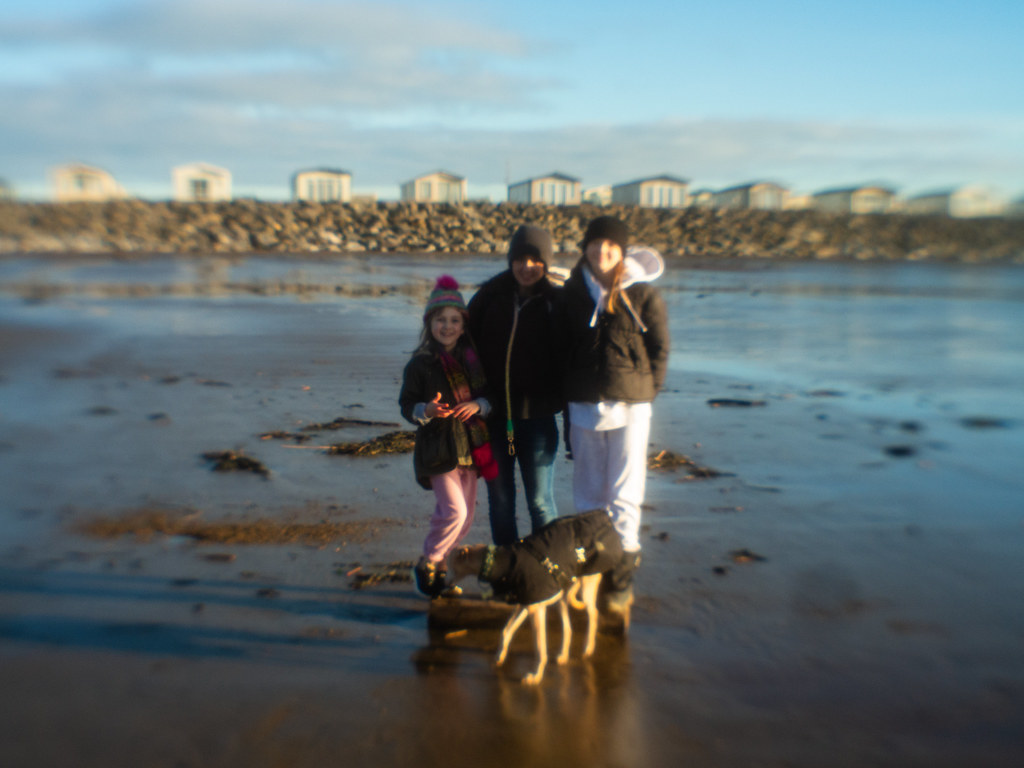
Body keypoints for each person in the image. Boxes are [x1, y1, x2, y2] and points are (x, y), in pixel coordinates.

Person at [558, 215, 669, 618]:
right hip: (583, 402)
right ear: (584, 248)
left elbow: (660, 349)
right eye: (595, 244)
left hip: (632, 404)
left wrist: (644, 391)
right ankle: (591, 567)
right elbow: (560, 350)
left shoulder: (643, 295)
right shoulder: (570, 294)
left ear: (622, 250)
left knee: (625, 490)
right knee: (588, 490)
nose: (602, 251)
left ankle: (620, 577)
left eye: (611, 245)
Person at [399, 275, 498, 597]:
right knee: (454, 512)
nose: (448, 326)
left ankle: (441, 569)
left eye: (454, 320)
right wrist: (425, 410)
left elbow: (489, 396)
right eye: (441, 320)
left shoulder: (472, 359)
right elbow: (406, 404)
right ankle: (429, 560)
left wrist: (479, 405)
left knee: (465, 519)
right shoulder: (421, 363)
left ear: (463, 324)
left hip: (470, 448)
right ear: (430, 323)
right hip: (438, 451)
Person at [467, 225, 563, 545]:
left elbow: (579, 348)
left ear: (546, 263)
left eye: (535, 259)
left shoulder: (557, 303)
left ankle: (547, 569)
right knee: (501, 501)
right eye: (520, 259)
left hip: (537, 421)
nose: (527, 267)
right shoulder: (489, 297)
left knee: (539, 502)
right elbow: (464, 345)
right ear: (510, 261)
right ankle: (508, 571)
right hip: (495, 421)